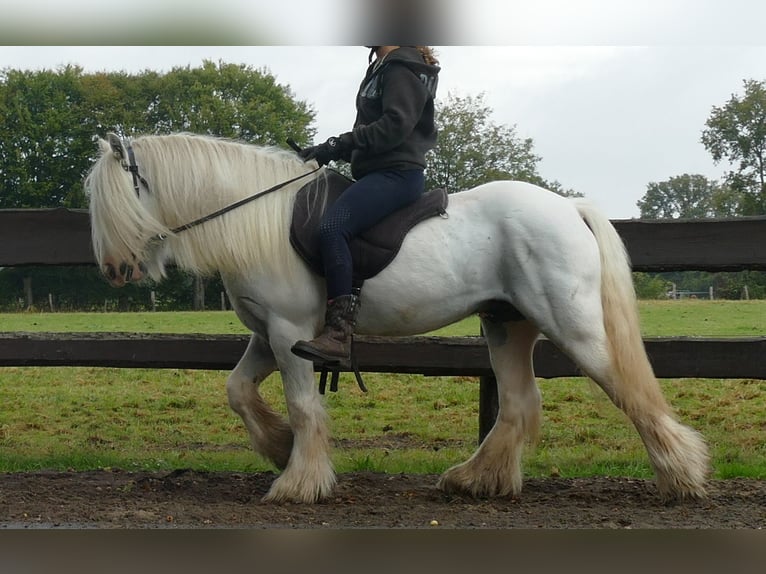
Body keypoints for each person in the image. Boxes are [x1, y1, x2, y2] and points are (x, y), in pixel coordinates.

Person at [291, 45, 440, 364]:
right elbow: (372, 136)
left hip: (396, 175)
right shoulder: (383, 66)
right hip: (379, 171)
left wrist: (341, 142)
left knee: (333, 228)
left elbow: (395, 127)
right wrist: (329, 150)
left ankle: (338, 333)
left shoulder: (401, 66)